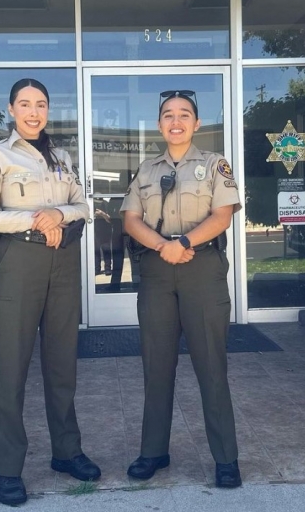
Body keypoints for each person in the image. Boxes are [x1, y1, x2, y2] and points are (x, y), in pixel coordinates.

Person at [0, 78, 100, 507]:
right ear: (11, 109)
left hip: (62, 263)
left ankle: (67, 452)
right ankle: (6, 468)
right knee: (12, 368)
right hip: (20, 264)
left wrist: (55, 213)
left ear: (48, 110)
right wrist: (35, 219)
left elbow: (84, 207)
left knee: (62, 363)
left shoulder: (62, 157)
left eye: (41, 104)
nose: (33, 112)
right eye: (25, 104)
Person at [121, 89, 242, 489]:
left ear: (196, 123)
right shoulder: (147, 169)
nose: (176, 121)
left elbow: (222, 216)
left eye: (184, 114)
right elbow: (131, 220)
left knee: (211, 364)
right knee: (156, 364)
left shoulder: (214, 165)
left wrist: (184, 244)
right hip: (157, 271)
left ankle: (225, 458)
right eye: (168, 115)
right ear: (159, 124)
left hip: (201, 268)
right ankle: (153, 451)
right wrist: (163, 247)